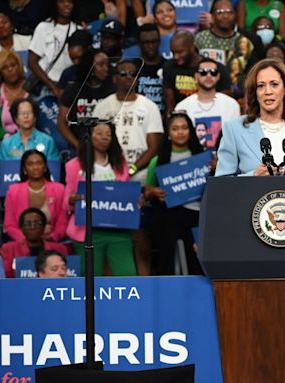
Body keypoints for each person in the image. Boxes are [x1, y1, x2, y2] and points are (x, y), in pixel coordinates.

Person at [215, 58, 285, 176]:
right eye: (261, 86)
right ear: (254, 92)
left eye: (274, 84)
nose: (268, 91)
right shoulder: (234, 129)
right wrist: (253, 176)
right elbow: (223, 182)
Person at [64, 121, 137, 276]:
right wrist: (73, 199)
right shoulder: (74, 166)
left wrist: (136, 200)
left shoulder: (120, 164)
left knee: (127, 275)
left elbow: (126, 193)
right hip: (88, 231)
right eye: (99, 133)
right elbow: (66, 202)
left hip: (117, 229)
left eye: (108, 134)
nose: (105, 137)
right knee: (91, 278)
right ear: (88, 136)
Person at [144, 112, 205, 275]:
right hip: (170, 217)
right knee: (169, 259)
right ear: (168, 134)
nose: (180, 132)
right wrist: (154, 192)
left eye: (185, 128)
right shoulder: (157, 161)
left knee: (197, 261)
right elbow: (147, 190)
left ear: (191, 131)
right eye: (175, 128)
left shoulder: (203, 158)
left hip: (198, 216)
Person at [93, 59, 163, 184]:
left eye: (133, 74)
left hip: (140, 172)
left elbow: (154, 147)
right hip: (108, 171)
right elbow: (95, 142)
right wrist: (113, 170)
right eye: (124, 74)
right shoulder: (102, 107)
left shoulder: (150, 107)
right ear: (114, 79)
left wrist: (131, 169)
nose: (129, 77)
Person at [174, 58, 241, 149]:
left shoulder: (231, 105)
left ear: (218, 77)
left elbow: (236, 140)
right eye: (203, 72)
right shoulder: (182, 107)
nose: (209, 75)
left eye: (213, 72)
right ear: (196, 76)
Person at [163, 31, 231, 118]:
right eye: (173, 53)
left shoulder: (215, 69)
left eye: (180, 52)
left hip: (212, 116)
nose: (176, 56)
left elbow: (225, 103)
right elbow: (170, 106)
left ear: (192, 47)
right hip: (182, 118)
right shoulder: (169, 68)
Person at [4, 150, 67, 242]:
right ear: (24, 169)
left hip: (51, 243)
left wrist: (52, 237)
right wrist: (26, 240)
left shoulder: (59, 189)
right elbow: (9, 225)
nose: (35, 167)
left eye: (39, 163)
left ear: (45, 167)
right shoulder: (13, 191)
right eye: (30, 164)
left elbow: (62, 223)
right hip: (22, 243)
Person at [58, 48, 114, 149]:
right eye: (100, 65)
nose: (106, 68)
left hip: (107, 147)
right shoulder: (73, 90)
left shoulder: (112, 90)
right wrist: (78, 145)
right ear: (89, 66)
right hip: (79, 146)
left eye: (107, 64)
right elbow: (62, 123)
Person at [28, 0, 79, 99]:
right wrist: (52, 86)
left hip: (69, 87)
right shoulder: (43, 27)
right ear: (54, 4)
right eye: (61, 1)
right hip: (46, 86)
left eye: (70, 1)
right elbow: (32, 62)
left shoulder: (78, 30)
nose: (66, 5)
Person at [194, 0, 263, 70]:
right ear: (212, 16)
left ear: (235, 15)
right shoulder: (199, 38)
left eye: (230, 12)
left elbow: (253, 70)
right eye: (220, 12)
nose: (225, 16)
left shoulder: (245, 42)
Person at [0, 207, 67, 278]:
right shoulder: (9, 249)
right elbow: (5, 277)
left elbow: (67, 275)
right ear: (21, 228)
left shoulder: (60, 249)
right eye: (28, 224)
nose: (33, 227)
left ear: (44, 227)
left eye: (37, 223)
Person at [0, 50, 29, 141]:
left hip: (32, 141)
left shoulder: (32, 89)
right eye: (5, 67)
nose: (10, 69)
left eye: (13, 65)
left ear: (19, 67)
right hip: (6, 143)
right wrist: (11, 140)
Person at [134, 23, 167, 115]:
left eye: (154, 41)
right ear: (139, 43)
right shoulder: (133, 68)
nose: (151, 46)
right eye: (146, 42)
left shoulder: (168, 67)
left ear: (159, 41)